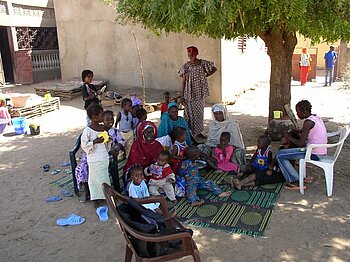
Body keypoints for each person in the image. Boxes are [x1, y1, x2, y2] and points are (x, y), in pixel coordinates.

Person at [276, 100, 327, 187]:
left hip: (313, 153)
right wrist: (301, 131)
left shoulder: (308, 122)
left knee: (279, 155)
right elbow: (312, 133)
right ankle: (297, 177)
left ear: (304, 112)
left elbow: (301, 143)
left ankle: (295, 181)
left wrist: (288, 136)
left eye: (298, 112)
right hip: (321, 150)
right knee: (286, 152)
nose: (297, 114)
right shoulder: (316, 117)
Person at [178, 46, 217, 139]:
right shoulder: (186, 66)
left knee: (199, 113)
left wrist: (205, 75)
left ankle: (198, 132)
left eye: (192, 54)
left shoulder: (202, 64)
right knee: (188, 113)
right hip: (188, 93)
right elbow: (183, 81)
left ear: (196, 54)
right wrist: (182, 95)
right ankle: (188, 132)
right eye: (188, 54)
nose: (190, 56)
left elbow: (214, 68)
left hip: (200, 93)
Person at [81, 104, 111, 205]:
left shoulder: (103, 128)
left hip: (103, 158)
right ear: (94, 118)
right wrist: (94, 142)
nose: (103, 117)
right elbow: (84, 145)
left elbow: (106, 144)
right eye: (101, 115)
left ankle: (104, 196)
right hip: (94, 160)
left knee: (104, 178)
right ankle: (95, 198)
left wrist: (108, 140)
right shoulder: (87, 131)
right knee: (94, 180)